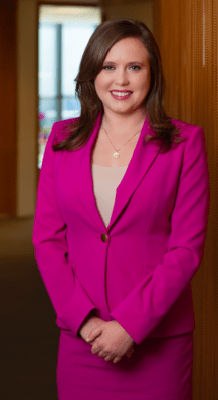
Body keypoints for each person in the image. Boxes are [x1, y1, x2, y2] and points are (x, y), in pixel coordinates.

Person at [33, 19, 209, 400]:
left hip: (157, 339)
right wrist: (84, 321)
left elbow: (186, 250)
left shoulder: (185, 143)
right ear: (93, 72)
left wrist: (129, 325)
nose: (121, 80)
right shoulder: (62, 140)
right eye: (108, 67)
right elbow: (46, 239)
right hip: (84, 337)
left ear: (152, 73)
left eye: (135, 67)